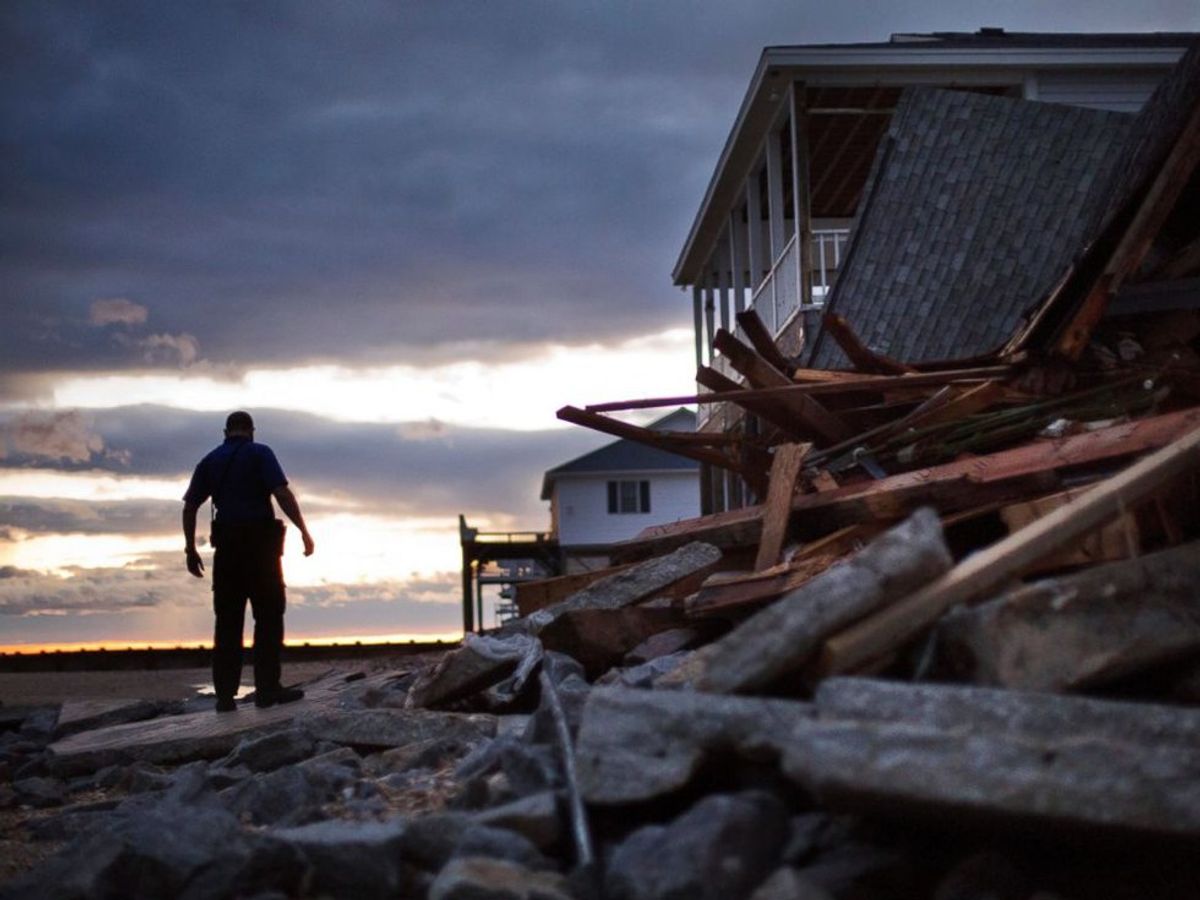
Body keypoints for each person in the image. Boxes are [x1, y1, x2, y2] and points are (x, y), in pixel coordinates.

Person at [182, 411, 315, 712]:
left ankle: (225, 698)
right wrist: (303, 530)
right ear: (251, 430)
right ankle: (267, 691)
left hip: (227, 550)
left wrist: (190, 549)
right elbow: (281, 493)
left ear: (225, 431)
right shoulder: (261, 453)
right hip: (261, 549)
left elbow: (190, 506)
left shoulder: (210, 460)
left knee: (227, 622)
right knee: (268, 618)